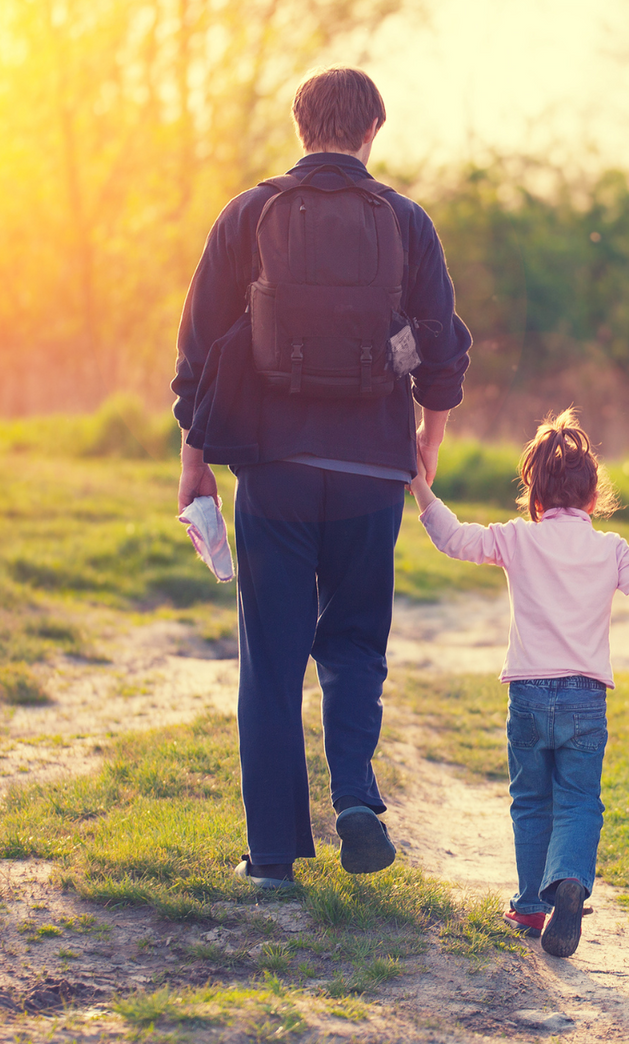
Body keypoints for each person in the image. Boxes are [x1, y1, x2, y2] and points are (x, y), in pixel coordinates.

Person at [172, 66, 472, 888]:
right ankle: (356, 801)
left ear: (301, 127)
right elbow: (435, 346)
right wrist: (427, 439)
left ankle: (271, 857)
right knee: (353, 646)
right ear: (374, 130)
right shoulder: (407, 225)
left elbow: (200, 347)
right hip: (373, 471)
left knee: (271, 659)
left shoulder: (252, 213)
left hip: (274, 469)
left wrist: (195, 461)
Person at [408, 410, 629, 957]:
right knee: (581, 800)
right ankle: (570, 883)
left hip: (529, 695)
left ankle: (531, 905)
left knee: (531, 800)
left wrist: (418, 483)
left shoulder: (516, 539)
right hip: (586, 697)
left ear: (534, 498)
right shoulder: (608, 548)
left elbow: (452, 538)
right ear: (592, 498)